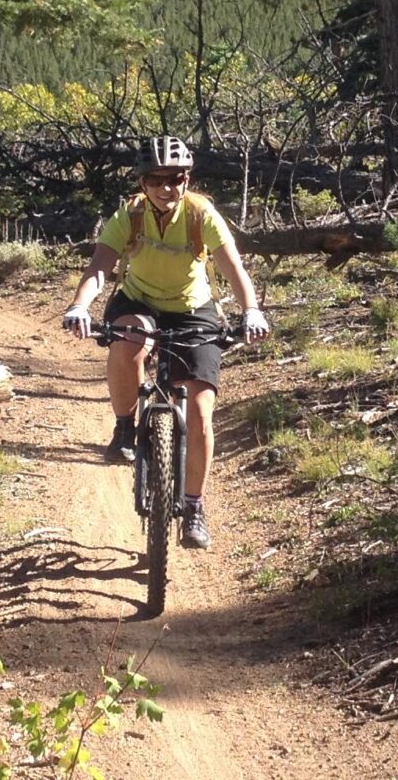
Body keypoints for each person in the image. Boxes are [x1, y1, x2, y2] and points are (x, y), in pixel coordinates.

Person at [61, 136, 269, 548]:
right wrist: (80, 306)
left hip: (194, 310)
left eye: (174, 178)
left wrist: (252, 311)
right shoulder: (130, 215)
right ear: (143, 182)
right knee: (129, 341)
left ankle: (193, 507)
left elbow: (233, 268)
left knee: (201, 410)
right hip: (139, 301)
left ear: (186, 179)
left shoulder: (200, 214)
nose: (165, 187)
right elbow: (101, 266)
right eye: (155, 178)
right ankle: (124, 428)